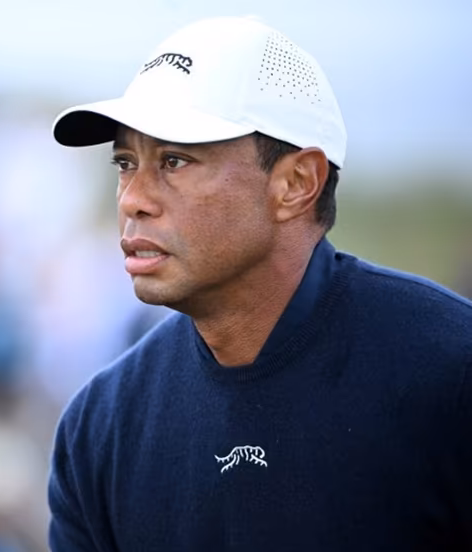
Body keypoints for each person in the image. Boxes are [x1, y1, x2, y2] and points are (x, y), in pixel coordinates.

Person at [47, 16, 472, 551]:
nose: (133, 198)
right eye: (126, 163)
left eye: (174, 161)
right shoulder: (100, 428)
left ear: (296, 183)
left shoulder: (450, 373)